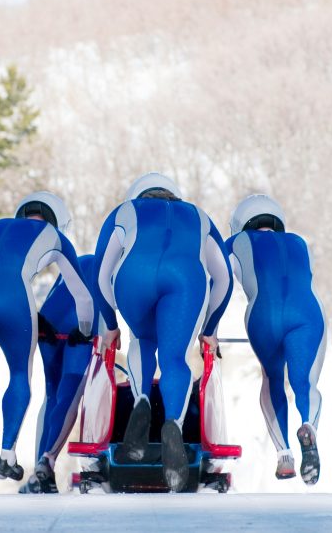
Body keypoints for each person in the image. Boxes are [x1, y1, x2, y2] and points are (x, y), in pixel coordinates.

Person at [91, 172, 233, 492]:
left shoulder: (124, 211)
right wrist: (209, 329)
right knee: (175, 359)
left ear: (138, 194)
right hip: (185, 279)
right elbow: (223, 278)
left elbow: (100, 273)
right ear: (175, 195)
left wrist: (110, 324)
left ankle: (142, 399)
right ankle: (173, 426)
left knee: (141, 339)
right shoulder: (199, 216)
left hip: (133, 278)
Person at [0, 191, 94, 482]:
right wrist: (84, 329)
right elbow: (82, 295)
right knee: (20, 375)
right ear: (58, 219)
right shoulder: (55, 237)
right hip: (14, 295)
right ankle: (7, 455)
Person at [225, 194, 327, 485]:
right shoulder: (299, 243)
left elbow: (216, 278)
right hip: (306, 314)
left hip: (263, 315)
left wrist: (207, 328)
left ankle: (284, 454)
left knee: (272, 379)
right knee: (305, 383)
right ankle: (308, 425)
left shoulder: (235, 243)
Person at [19, 253, 98, 494]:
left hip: (48, 325)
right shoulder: (118, 266)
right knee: (69, 396)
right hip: (83, 327)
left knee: (52, 397)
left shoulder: (83, 259)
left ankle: (39, 476)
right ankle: (47, 460)